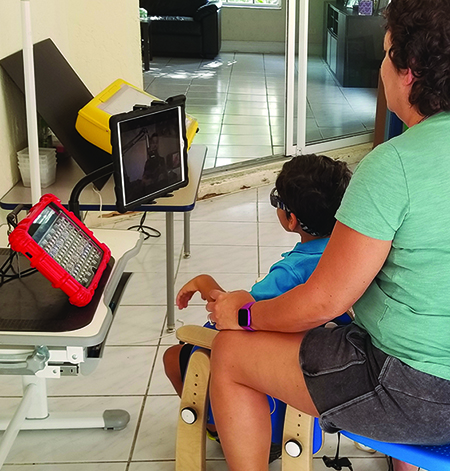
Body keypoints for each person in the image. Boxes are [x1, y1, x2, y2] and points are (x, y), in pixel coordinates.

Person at [204, 1, 450, 471]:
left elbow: (325, 300)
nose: (380, 67)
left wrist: (247, 314)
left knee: (232, 351)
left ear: (409, 72)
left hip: (420, 393)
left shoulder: (394, 164)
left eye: (385, 54)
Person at [163, 154, 352, 459]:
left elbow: (237, 317)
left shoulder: (289, 274)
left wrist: (205, 283)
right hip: (323, 375)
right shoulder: (350, 257)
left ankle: (221, 429)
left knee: (173, 358)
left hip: (271, 381)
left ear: (290, 219)